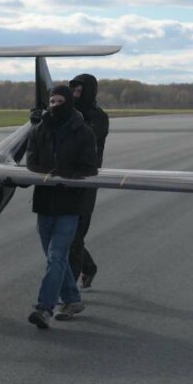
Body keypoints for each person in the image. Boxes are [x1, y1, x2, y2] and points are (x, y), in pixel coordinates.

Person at [25, 85, 98, 329]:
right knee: (55, 259)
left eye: (60, 101)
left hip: (70, 206)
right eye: (52, 101)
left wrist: (65, 176)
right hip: (44, 204)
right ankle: (73, 299)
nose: (55, 105)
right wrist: (47, 175)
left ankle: (44, 308)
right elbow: (31, 162)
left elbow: (89, 169)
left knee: (56, 258)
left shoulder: (84, 132)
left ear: (69, 103)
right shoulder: (38, 131)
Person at [68, 73, 109, 289]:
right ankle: (89, 267)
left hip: (86, 181)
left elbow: (87, 137)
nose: (75, 95)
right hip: (64, 179)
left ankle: (68, 292)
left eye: (79, 92)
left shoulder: (99, 117)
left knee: (74, 237)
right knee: (67, 236)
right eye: (72, 91)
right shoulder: (66, 114)